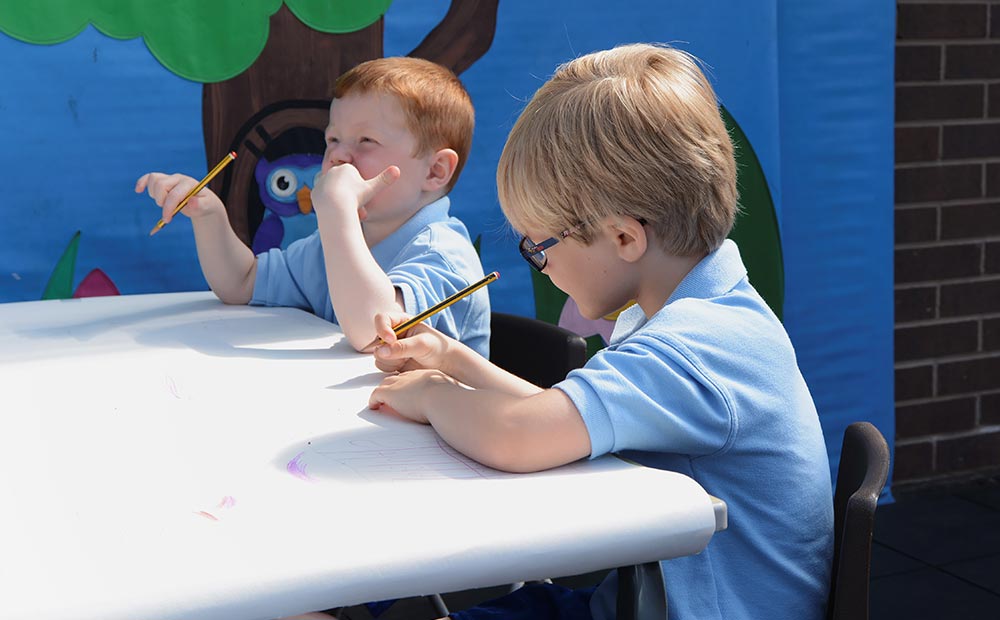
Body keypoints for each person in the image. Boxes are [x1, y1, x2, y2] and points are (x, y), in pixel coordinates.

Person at [366, 43, 833, 620]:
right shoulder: (705, 310)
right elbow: (565, 418)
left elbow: (520, 435)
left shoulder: (696, 346)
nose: (541, 265)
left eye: (539, 245)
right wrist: (453, 361)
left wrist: (434, 395)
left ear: (623, 238)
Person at [135, 57, 490, 355]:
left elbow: (375, 333)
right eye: (332, 139)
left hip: (427, 438)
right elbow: (242, 283)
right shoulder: (332, 245)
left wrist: (337, 215)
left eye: (366, 140)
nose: (337, 155)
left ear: (435, 170)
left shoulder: (443, 255)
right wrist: (209, 213)